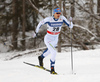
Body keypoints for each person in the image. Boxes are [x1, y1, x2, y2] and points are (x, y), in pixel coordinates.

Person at [34, 6, 73, 74]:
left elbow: (70, 26)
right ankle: (52, 69)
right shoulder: (49, 19)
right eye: (57, 13)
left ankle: (41, 57)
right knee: (54, 52)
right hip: (48, 38)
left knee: (49, 51)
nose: (58, 15)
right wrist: (36, 32)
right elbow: (40, 23)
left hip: (55, 39)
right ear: (54, 13)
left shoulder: (62, 18)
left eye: (59, 13)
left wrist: (70, 21)